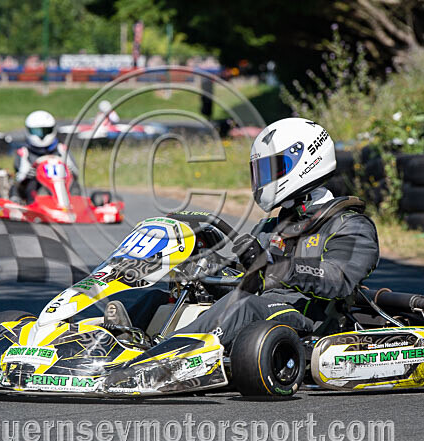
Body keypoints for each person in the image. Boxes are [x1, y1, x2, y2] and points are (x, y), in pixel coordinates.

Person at [105, 117, 380, 349]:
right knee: (164, 297)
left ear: (306, 161)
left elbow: (339, 279)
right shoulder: (273, 227)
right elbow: (246, 277)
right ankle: (115, 346)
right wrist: (208, 269)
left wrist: (277, 267)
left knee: (242, 304)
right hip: (264, 310)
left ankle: (167, 354)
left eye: (274, 169)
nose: (265, 179)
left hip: (312, 319)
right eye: (262, 171)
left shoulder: (351, 225)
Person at [12, 110, 79, 202]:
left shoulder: (61, 149)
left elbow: (76, 173)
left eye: (45, 131)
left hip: (61, 184)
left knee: (74, 185)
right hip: (35, 186)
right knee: (32, 184)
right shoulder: (24, 152)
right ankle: (34, 205)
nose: (41, 136)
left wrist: (69, 169)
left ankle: (76, 203)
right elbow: (20, 178)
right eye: (37, 131)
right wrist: (30, 173)